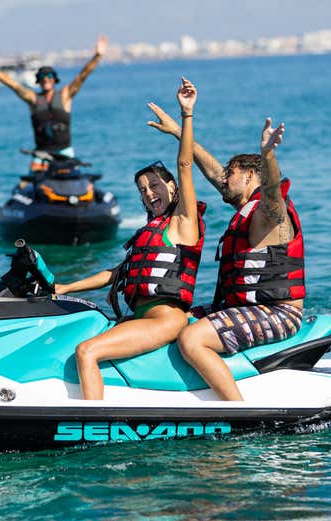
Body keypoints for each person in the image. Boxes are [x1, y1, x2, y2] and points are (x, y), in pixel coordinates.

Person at [55, 78, 205, 400]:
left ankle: (88, 424)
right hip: (140, 318)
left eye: (155, 185)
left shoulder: (183, 223)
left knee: (87, 351)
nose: (149, 194)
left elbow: (184, 165)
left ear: (172, 187)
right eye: (142, 190)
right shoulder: (151, 233)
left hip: (164, 319)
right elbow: (114, 274)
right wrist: (63, 288)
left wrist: (186, 116)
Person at [147, 103, 305, 401]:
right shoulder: (245, 207)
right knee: (171, 317)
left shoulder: (268, 215)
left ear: (249, 177)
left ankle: (239, 411)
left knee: (192, 338)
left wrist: (268, 156)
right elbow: (211, 170)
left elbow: (272, 194)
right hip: (244, 307)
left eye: (230, 173)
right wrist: (178, 132)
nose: (222, 178)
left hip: (278, 312)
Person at [0, 36, 108, 170]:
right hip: (41, 155)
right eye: (42, 77)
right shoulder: (33, 99)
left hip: (64, 153)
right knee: (32, 183)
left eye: (49, 77)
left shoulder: (65, 95)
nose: (46, 79)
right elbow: (12, 84)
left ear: (54, 80)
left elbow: (82, 76)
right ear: (38, 81)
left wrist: (98, 56)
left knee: (74, 181)